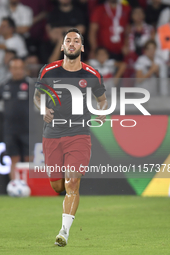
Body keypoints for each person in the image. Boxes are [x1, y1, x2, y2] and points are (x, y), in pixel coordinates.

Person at [33, 28, 107, 247]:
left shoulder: (92, 74)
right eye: (68, 40)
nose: (72, 43)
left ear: (82, 47)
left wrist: (102, 110)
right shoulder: (49, 71)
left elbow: (102, 99)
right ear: (63, 46)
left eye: (77, 40)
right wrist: (42, 109)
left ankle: (64, 232)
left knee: (72, 182)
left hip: (79, 134)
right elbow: (38, 98)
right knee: (57, 186)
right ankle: (65, 201)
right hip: (52, 134)